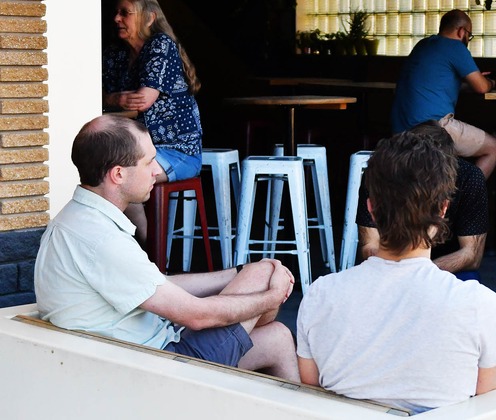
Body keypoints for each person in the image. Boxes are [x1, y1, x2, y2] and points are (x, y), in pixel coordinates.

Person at [296, 130, 496, 414]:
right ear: (443, 209)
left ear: (371, 208)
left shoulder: (320, 293)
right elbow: (490, 392)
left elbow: (313, 389)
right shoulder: (475, 301)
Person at [34, 115, 299, 381]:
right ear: (118, 175)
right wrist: (273, 296)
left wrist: (238, 273)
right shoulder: (102, 240)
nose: (156, 170)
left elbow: (157, 285)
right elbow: (197, 316)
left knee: (277, 335)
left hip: (148, 350)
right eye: (149, 161)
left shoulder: (79, 219)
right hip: (161, 368)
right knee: (264, 278)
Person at [102, 0, 203, 243]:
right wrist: (115, 97)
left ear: (148, 18)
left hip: (177, 151)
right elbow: (94, 95)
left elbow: (143, 100)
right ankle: (142, 257)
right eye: (116, 12)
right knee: (111, 175)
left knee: (119, 179)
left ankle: (150, 259)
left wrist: (112, 99)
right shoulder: (115, 53)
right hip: (135, 151)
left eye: (125, 13)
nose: (116, 18)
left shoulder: (160, 45)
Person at [356, 121, 487, 280]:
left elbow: (472, 255)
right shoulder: (381, 174)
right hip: (387, 266)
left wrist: (421, 273)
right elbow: (369, 246)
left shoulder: (469, 178)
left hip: (446, 268)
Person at [390, 9, 496, 178]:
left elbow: (438, 84)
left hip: (400, 128)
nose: (467, 40)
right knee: (494, 148)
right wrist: (491, 82)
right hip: (432, 128)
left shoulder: (423, 45)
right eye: (469, 35)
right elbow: (482, 88)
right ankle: (464, 200)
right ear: (462, 31)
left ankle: (446, 194)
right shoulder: (456, 47)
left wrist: (465, 85)